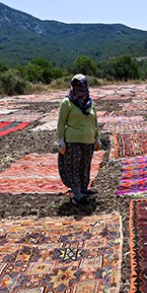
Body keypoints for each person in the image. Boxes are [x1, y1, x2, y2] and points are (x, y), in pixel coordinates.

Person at [57, 74, 99, 205]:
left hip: (88, 141)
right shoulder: (67, 102)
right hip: (72, 141)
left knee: (85, 166)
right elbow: (61, 122)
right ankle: (77, 194)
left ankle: (83, 189)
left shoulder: (90, 103)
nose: (78, 87)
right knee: (73, 167)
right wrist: (60, 140)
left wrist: (97, 138)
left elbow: (95, 122)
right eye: (75, 85)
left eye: (80, 85)